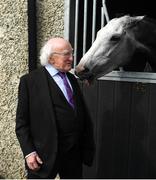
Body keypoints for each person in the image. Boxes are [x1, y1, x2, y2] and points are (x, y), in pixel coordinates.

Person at [15, 37, 95, 179]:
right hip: (42, 155)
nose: (71, 58)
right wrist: (29, 152)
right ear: (51, 58)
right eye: (67, 54)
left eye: (72, 53)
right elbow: (22, 123)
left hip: (73, 154)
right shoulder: (30, 82)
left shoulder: (72, 80)